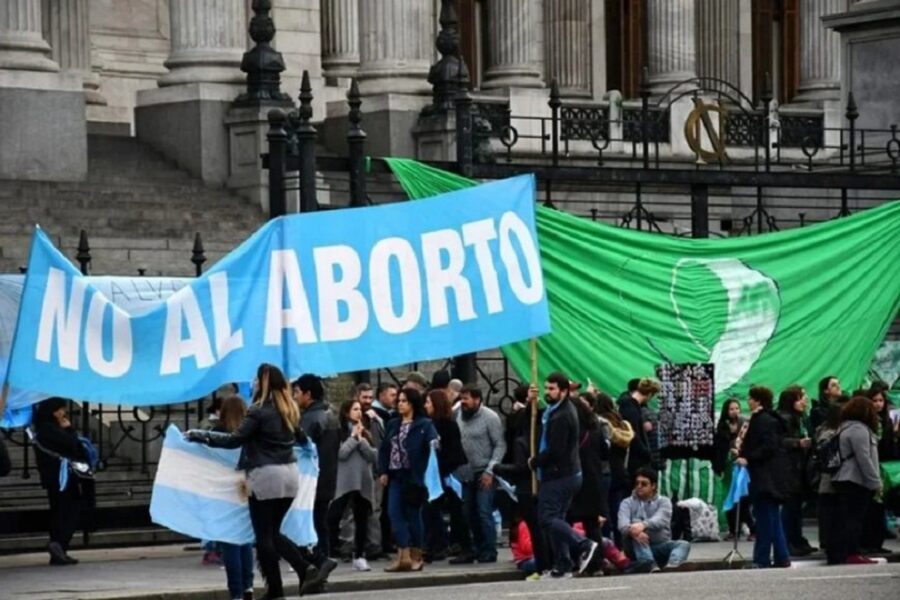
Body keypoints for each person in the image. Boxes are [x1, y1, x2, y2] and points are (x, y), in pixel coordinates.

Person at [186, 364, 327, 599]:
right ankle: (303, 570)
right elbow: (302, 439)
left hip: (264, 476)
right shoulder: (289, 409)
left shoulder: (258, 410)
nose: (251, 383)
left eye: (254, 379)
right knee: (273, 533)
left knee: (264, 538)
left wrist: (199, 435)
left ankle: (281, 585)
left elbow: (234, 440)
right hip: (290, 475)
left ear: (262, 383)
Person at [528, 372, 599, 579]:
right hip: (567, 473)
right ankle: (563, 563)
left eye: (552, 389)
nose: (547, 392)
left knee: (547, 518)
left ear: (564, 390)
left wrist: (535, 461)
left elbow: (556, 451)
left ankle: (583, 543)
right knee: (557, 520)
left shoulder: (561, 416)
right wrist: (531, 400)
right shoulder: (555, 410)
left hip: (560, 475)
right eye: (546, 388)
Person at [378, 387, 438, 572]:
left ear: (412, 403)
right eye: (399, 401)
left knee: (413, 516)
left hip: (414, 476)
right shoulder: (393, 424)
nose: (400, 404)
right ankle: (402, 554)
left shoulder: (424, 424)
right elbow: (385, 449)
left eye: (404, 401)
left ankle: (416, 555)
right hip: (396, 475)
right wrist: (384, 471)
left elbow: (433, 443)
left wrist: (434, 444)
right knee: (394, 514)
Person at [292, 373, 340, 584]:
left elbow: (301, 450)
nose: (294, 397)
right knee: (321, 524)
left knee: (310, 524)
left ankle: (318, 565)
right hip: (328, 477)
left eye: (296, 392)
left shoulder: (311, 419)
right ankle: (321, 566)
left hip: (312, 480)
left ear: (307, 394)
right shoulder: (330, 415)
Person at [450, 386, 506, 564]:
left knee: (483, 511)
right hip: (466, 473)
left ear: (477, 399)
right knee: (468, 512)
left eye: (466, 399)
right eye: (461, 398)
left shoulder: (490, 417)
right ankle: (477, 547)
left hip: (485, 472)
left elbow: (500, 445)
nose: (463, 402)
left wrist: (491, 470)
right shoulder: (459, 415)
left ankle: (489, 551)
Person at [737, 385, 792, 569]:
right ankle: (782, 556)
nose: (748, 401)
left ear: (758, 400)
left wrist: (748, 458)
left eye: (750, 398)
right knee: (772, 519)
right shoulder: (770, 419)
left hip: (764, 477)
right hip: (772, 477)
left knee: (765, 520)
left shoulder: (762, 420)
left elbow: (768, 447)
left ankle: (761, 559)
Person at [32, 398, 90, 566]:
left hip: (55, 477)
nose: (63, 413)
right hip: (61, 477)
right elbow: (72, 444)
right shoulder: (49, 429)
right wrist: (69, 429)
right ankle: (58, 543)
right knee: (68, 510)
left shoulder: (44, 428)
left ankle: (59, 550)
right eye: (60, 410)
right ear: (52, 411)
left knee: (61, 510)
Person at [825, 396, 883, 565]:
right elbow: (864, 459)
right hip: (855, 479)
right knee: (854, 519)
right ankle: (852, 552)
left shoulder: (845, 428)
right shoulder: (859, 430)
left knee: (848, 518)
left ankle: (847, 552)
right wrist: (875, 482)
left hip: (844, 478)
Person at [212, 395, 255, 600]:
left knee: (229, 541)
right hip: (245, 484)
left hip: (224, 487)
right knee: (245, 538)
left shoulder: (219, 433)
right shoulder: (249, 431)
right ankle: (248, 587)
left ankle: (236, 592)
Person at [329, 399, 377, 572]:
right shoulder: (340, 432)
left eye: (359, 409)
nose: (358, 412)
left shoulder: (366, 432)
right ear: (346, 412)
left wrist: (361, 439)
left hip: (363, 480)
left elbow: (373, 455)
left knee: (362, 518)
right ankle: (330, 551)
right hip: (345, 480)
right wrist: (353, 438)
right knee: (334, 515)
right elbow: (341, 454)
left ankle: (359, 555)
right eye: (354, 409)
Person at [423, 389, 468, 562]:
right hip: (437, 475)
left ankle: (465, 547)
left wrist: (442, 470)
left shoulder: (448, 425)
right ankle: (437, 545)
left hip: (450, 474)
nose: (426, 406)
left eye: (428, 402)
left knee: (457, 513)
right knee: (431, 511)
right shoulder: (430, 424)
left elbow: (454, 453)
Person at [617, 467, 690, 572]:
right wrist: (633, 531)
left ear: (653, 486)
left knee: (683, 544)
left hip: (659, 546)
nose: (639, 486)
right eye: (637, 483)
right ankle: (649, 564)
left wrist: (643, 525)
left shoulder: (664, 502)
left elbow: (660, 520)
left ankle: (673, 565)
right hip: (635, 548)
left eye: (644, 484)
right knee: (638, 535)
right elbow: (622, 525)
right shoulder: (626, 503)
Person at [777, 385, 815, 556]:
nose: (804, 401)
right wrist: (797, 443)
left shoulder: (801, 418)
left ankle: (797, 539)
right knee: (789, 508)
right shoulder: (784, 418)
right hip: (788, 469)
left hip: (800, 468)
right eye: (800, 398)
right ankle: (787, 541)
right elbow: (779, 442)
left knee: (797, 508)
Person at [569, 393, 611, 544]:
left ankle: (576, 554)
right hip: (593, 480)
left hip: (574, 477)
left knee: (568, 521)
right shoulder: (596, 428)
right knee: (592, 524)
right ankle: (597, 560)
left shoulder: (570, 431)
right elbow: (605, 453)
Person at [594, 392, 633, 546]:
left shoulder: (602, 425)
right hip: (620, 471)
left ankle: (608, 546)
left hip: (606, 470)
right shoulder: (622, 424)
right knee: (618, 511)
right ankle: (622, 545)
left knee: (604, 512)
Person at [713, 398, 754, 541]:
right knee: (729, 497)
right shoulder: (722, 426)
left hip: (742, 465)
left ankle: (752, 528)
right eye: (731, 409)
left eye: (737, 408)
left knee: (742, 497)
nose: (735, 411)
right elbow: (719, 448)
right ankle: (732, 529)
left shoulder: (745, 425)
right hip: (728, 466)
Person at [814, 402, 842, 554]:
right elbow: (824, 453)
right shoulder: (829, 433)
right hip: (828, 477)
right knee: (828, 510)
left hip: (830, 476)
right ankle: (826, 541)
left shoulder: (827, 430)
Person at [617, 378, 659, 475]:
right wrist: (646, 454)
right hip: (631, 462)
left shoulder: (630, 405)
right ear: (649, 394)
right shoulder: (630, 408)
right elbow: (633, 435)